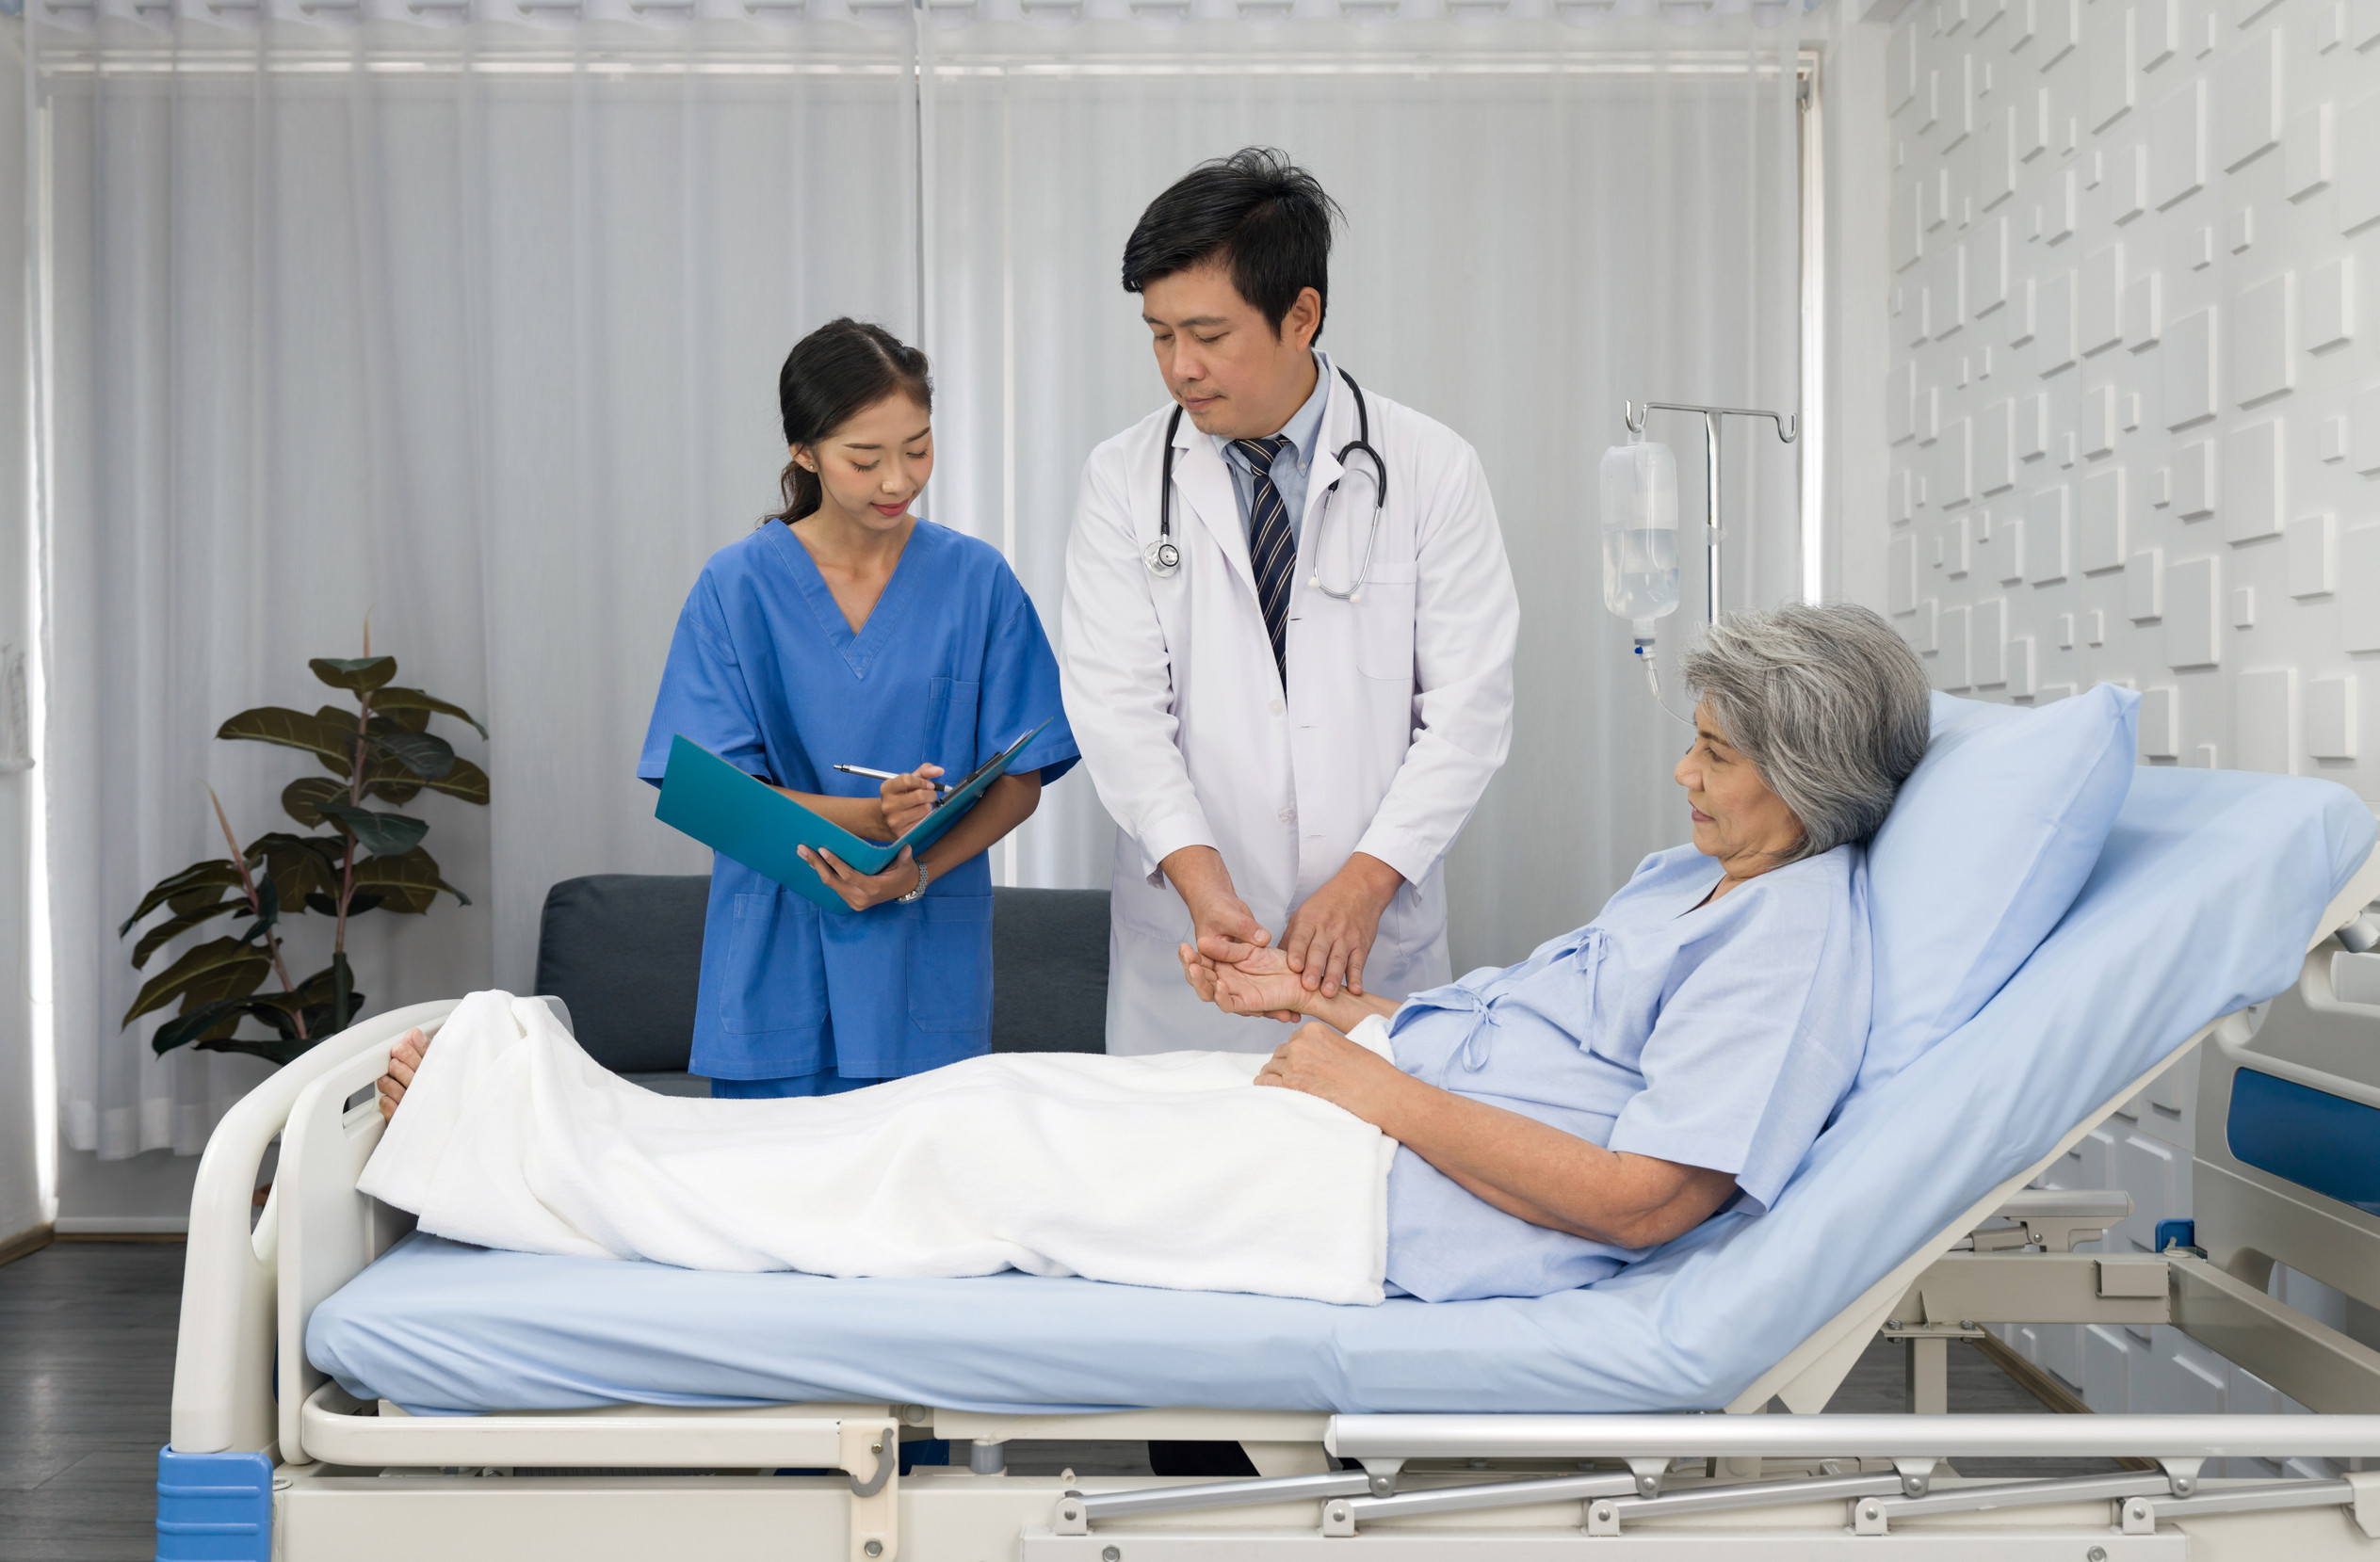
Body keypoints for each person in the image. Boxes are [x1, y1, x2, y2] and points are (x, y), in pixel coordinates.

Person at [380, 605, 1928, 1307]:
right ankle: (543, 1117)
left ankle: (524, 1146)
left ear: (1806, 776)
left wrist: (1365, 1085)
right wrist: (1327, 1002)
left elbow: (1648, 1199)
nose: (1685, 774)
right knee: (972, 1107)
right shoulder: (1693, 882)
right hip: (1351, 1114)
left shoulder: (1790, 940)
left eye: (1716, 753)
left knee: (963, 1149)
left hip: (1373, 1192)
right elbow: (1532, 1040)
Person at [1060, 148, 1519, 1058]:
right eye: (1158, 335)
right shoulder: (1122, 478)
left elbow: (1469, 711)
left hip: (1371, 948)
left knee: (1364, 1184)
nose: (1180, 367)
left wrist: (1365, 881)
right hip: (1192, 955)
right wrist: (1200, 880)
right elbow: (1116, 709)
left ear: (1299, 314)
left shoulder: (1430, 468)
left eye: (1207, 333)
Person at [639, 318, 1079, 1098]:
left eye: (917, 447)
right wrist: (871, 819)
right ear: (803, 452)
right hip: (774, 972)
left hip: (923, 973)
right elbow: (710, 795)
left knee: (927, 1209)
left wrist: (913, 872)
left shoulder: (976, 581)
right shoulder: (736, 587)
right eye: (864, 458)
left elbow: (1021, 776)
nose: (896, 481)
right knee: (773, 1211)